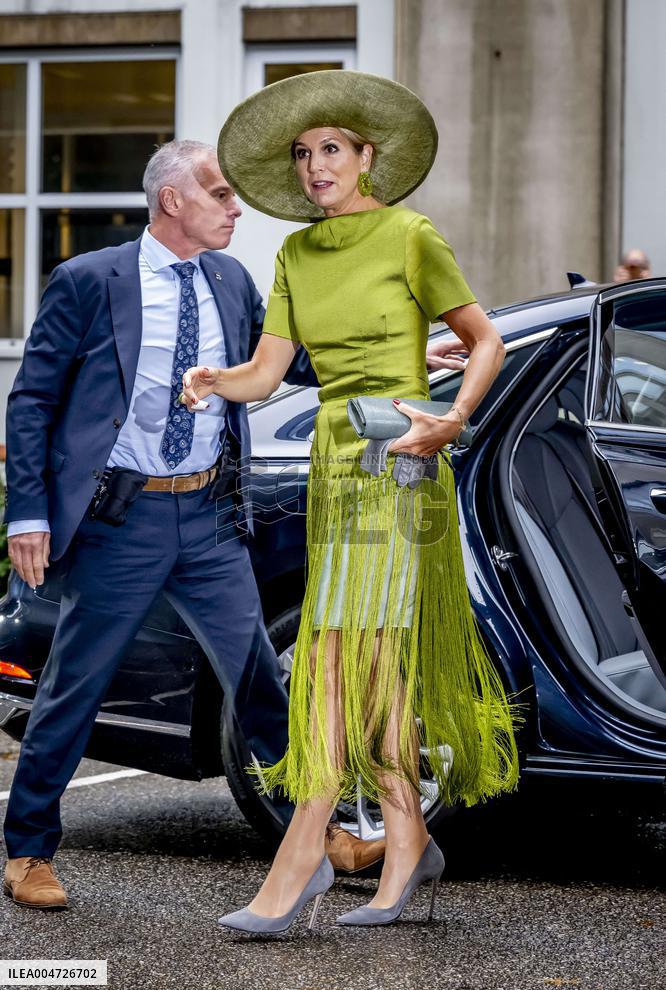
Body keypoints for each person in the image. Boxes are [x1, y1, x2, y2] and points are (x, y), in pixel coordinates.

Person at [181, 71, 521, 935]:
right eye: (302, 153)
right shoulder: (295, 254)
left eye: (330, 148)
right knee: (368, 666)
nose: (314, 166)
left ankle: (301, 857)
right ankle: (407, 844)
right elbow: (266, 374)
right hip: (337, 462)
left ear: (368, 156)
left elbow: (487, 341)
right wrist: (213, 380)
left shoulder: (411, 235)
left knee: (335, 656)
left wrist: (450, 424)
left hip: (401, 462)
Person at [2, 139, 328, 910]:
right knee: (75, 686)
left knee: (257, 677)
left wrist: (402, 356)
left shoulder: (230, 278)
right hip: (123, 518)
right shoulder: (89, 280)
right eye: (220, 194)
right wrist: (28, 513)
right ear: (173, 200)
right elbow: (34, 401)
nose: (235, 207)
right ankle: (27, 851)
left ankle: (313, 827)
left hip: (209, 513)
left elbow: (291, 363)